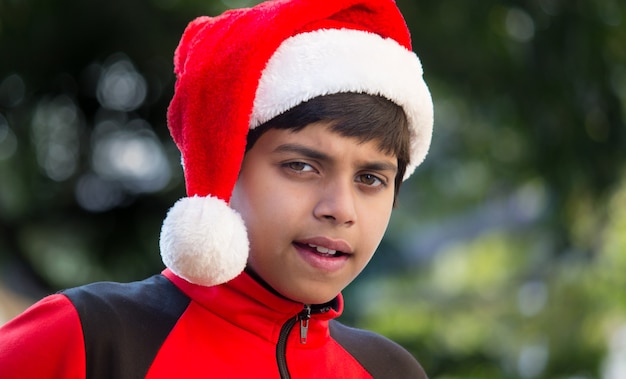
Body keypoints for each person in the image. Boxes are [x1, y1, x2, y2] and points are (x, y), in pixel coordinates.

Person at [0, 0, 434, 377]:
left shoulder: (390, 371)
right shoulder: (89, 338)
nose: (341, 208)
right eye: (301, 166)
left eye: (370, 179)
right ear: (224, 168)